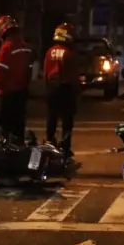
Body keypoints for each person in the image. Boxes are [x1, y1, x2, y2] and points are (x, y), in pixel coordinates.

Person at [0, 15, 36, 143]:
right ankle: (19, 148)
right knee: (19, 123)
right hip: (22, 91)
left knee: (5, 125)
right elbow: (29, 70)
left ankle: (7, 150)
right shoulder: (26, 47)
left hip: (8, 92)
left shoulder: (6, 47)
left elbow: (1, 71)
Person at [43, 22, 80, 155]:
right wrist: (76, 90)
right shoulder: (70, 53)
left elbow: (46, 72)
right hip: (66, 88)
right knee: (67, 120)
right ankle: (65, 146)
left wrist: (46, 88)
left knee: (52, 117)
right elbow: (72, 74)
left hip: (52, 88)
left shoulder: (50, 51)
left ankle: (49, 142)